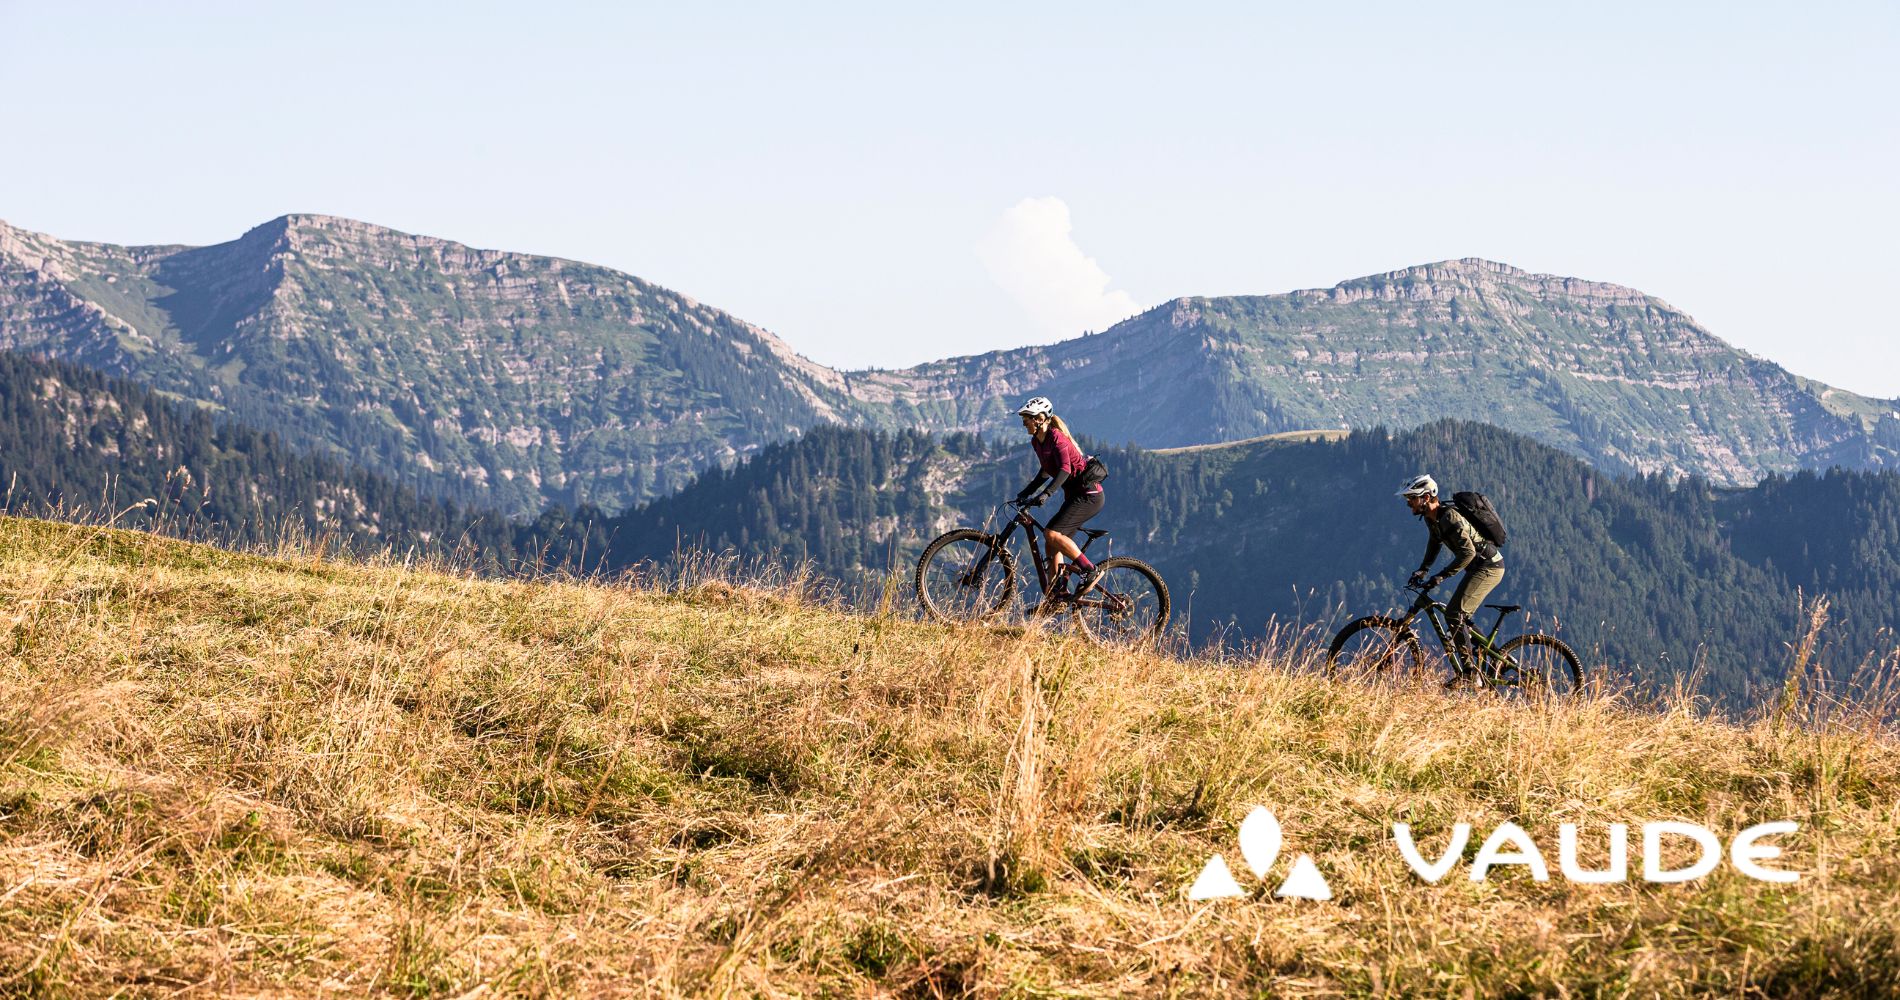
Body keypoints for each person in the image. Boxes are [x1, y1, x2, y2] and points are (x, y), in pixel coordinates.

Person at [1397, 474, 1505, 684]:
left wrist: (1441, 576)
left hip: (1488, 566)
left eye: (1412, 498)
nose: (1408, 503)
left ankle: (1470, 674)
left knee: (1454, 614)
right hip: (1478, 567)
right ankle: (1498, 659)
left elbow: (1468, 554)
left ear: (1426, 497)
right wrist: (1423, 570)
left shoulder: (1449, 517)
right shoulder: (1432, 518)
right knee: (1461, 618)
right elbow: (1434, 543)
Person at [1013, 397, 1104, 597]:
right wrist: (1026, 493)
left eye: (1027, 418)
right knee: (1051, 543)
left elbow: (1065, 469)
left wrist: (1046, 494)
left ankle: (1090, 570)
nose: (1023, 423)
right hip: (1074, 496)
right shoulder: (1036, 442)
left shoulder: (1056, 437)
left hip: (1089, 495)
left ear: (1040, 419)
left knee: (1052, 534)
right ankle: (1056, 595)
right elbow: (1045, 472)